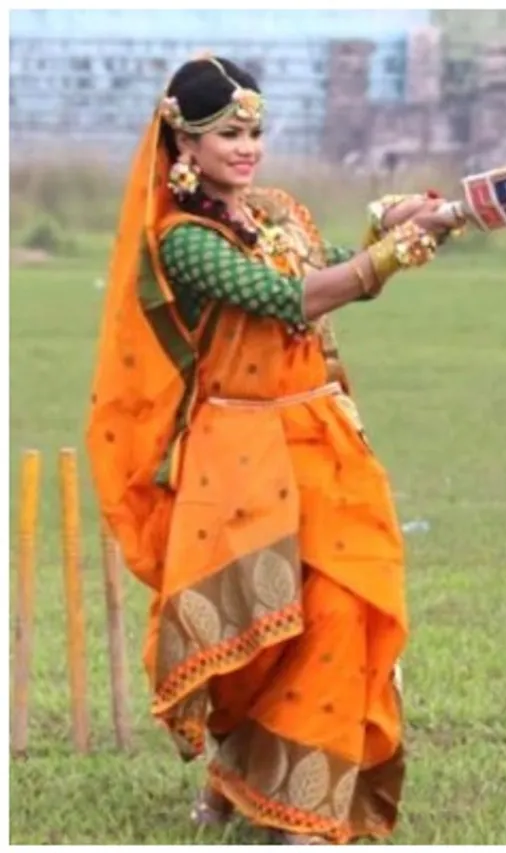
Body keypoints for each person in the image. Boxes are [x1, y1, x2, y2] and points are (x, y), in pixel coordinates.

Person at [85, 54, 460, 844]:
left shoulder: (284, 210)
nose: (247, 147)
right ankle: (235, 779)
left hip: (320, 440)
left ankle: (303, 810)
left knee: (338, 607)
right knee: (259, 632)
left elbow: (320, 279)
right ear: (184, 143)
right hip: (238, 453)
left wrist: (384, 229)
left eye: (255, 130)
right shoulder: (182, 240)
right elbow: (282, 297)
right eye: (228, 133)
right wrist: (385, 255)